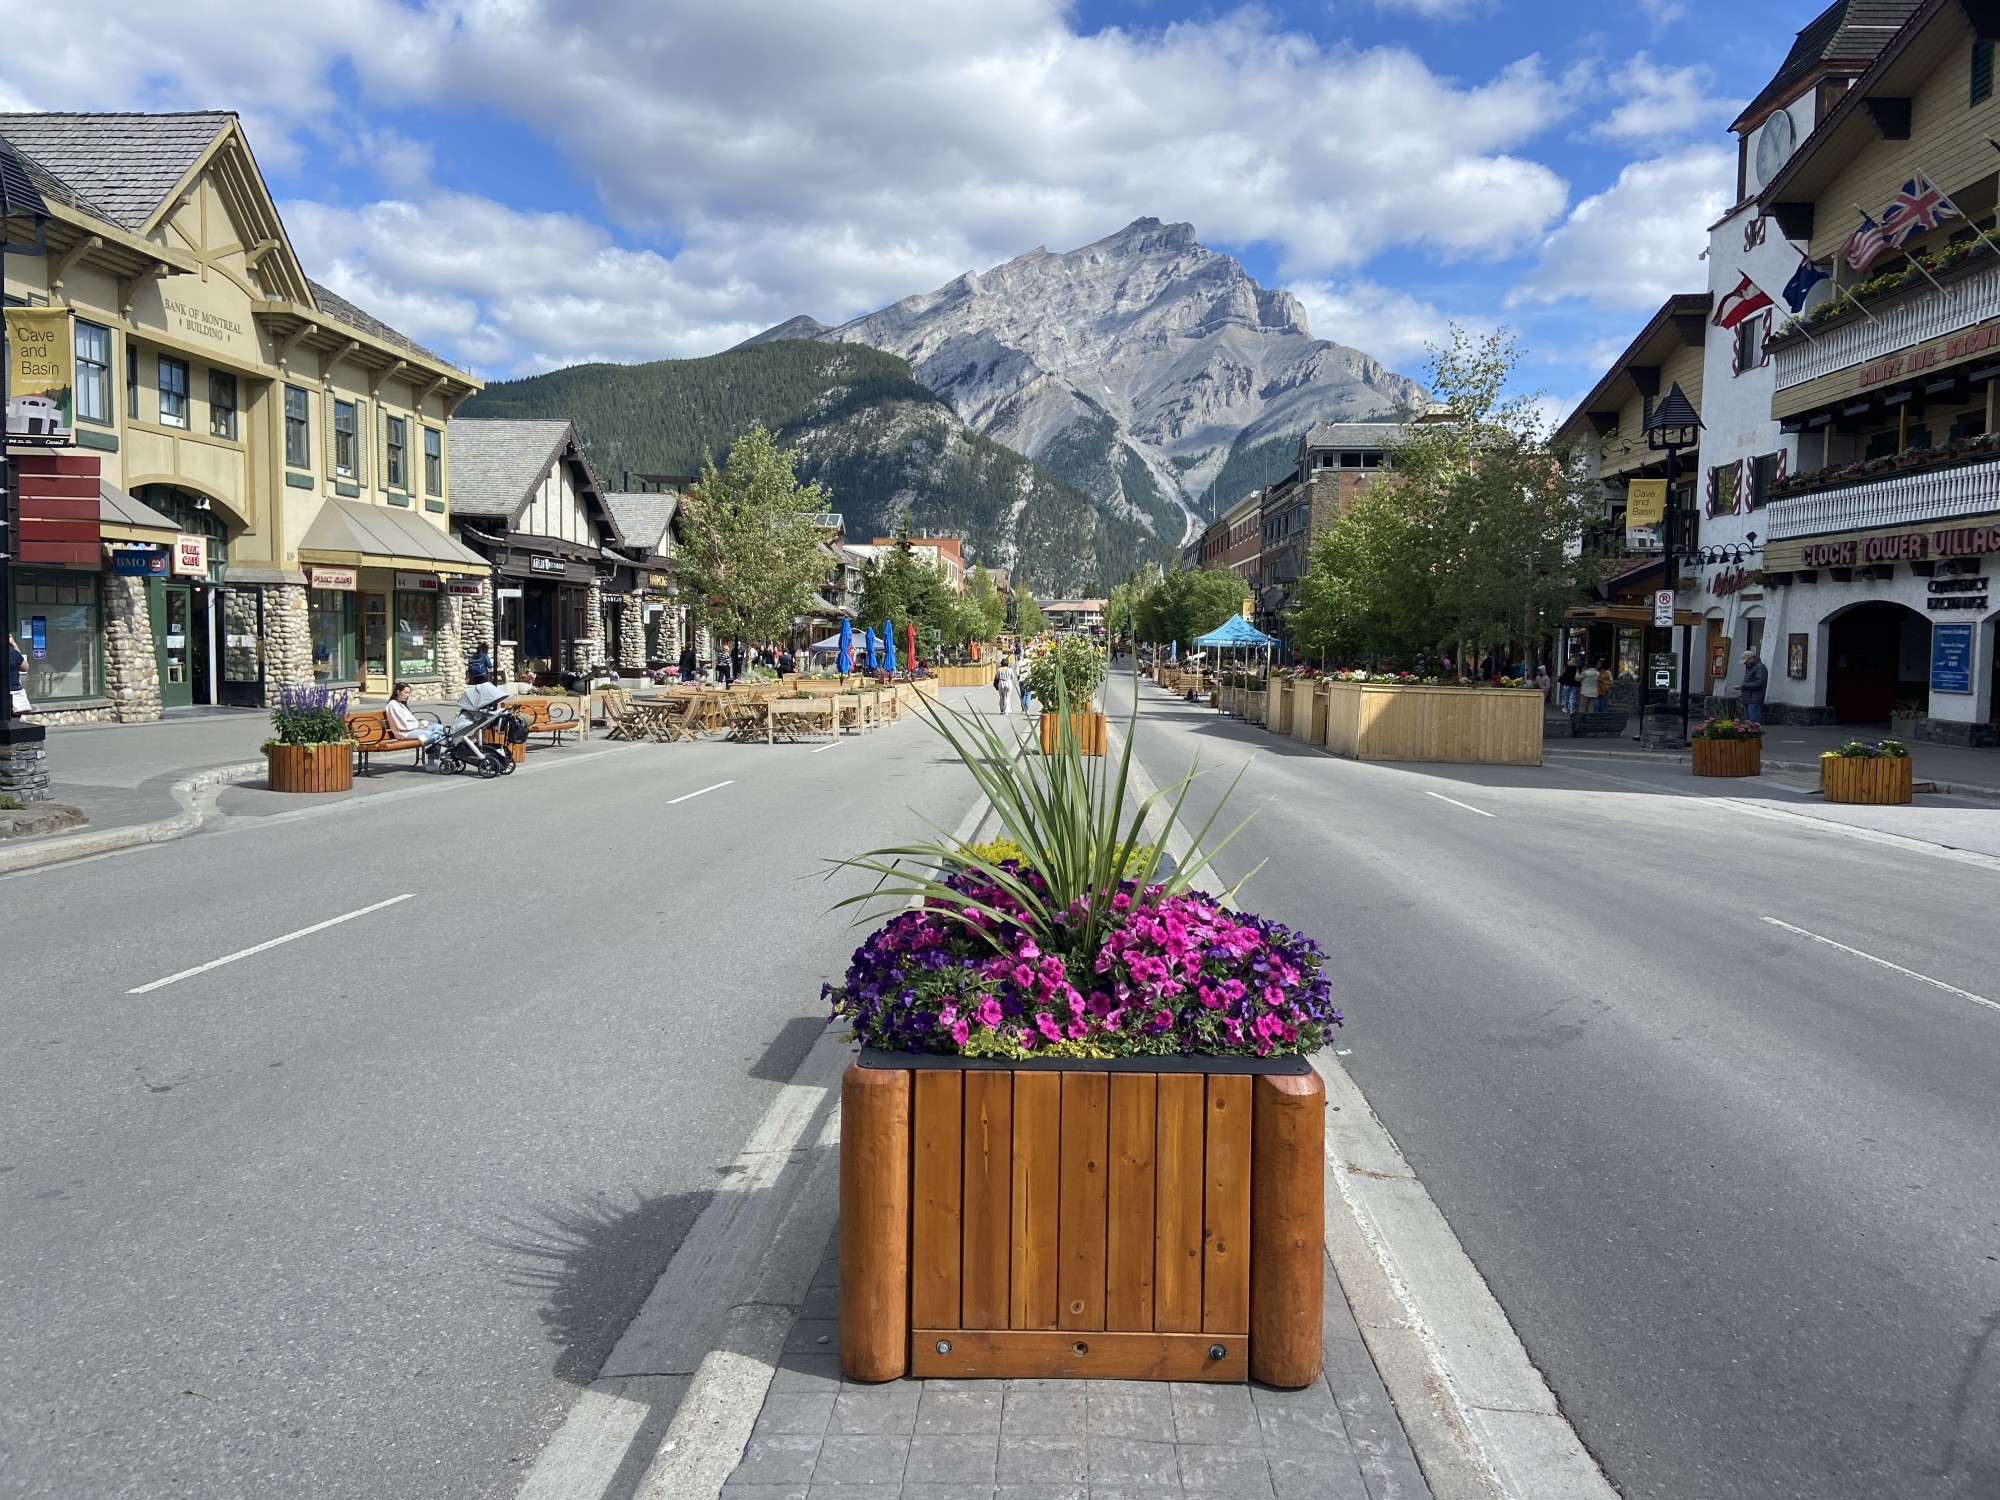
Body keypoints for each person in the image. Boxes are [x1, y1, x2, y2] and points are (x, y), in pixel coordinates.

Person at [384, 682, 445, 750]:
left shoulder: (401, 704)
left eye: (409, 693)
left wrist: (419, 724)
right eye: (405, 692)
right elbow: (402, 725)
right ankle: (431, 753)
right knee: (435, 736)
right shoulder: (393, 705)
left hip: (413, 730)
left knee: (439, 727)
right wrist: (418, 726)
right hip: (404, 733)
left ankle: (437, 737)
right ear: (398, 692)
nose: (408, 695)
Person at [1738, 649, 1769, 725]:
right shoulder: (1752, 668)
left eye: (1746, 661)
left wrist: (1743, 686)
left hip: (1754, 699)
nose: (1745, 663)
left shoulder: (1760, 667)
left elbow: (1759, 683)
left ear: (1751, 658)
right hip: (1748, 698)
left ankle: (1755, 735)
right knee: (1748, 723)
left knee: (1753, 723)